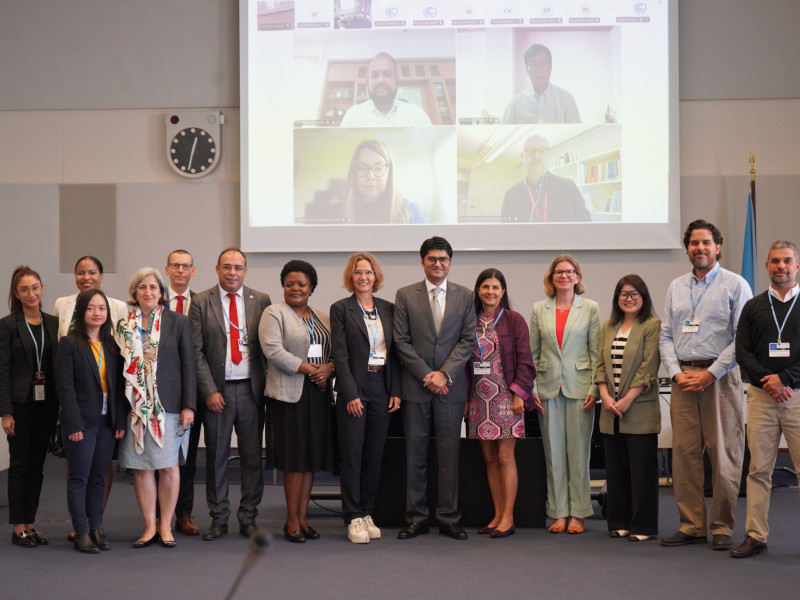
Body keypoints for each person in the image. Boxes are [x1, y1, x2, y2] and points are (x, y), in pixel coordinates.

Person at [659, 219, 752, 550]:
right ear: (687, 248)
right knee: (684, 457)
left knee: (724, 455)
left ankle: (722, 526)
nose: (700, 248)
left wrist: (711, 372)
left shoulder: (736, 284)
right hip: (684, 380)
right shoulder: (676, 286)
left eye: (706, 243)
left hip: (721, 381)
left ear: (718, 247)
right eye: (694, 243)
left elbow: (744, 338)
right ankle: (692, 525)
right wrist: (676, 372)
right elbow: (667, 334)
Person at [393, 236, 476, 540]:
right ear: (422, 261)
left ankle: (448, 517)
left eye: (443, 259)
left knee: (449, 454)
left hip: (451, 390)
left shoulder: (465, 296)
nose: (438, 264)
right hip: (416, 387)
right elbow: (400, 341)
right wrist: (429, 375)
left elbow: (467, 340)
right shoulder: (405, 295)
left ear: (449, 263)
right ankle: (415, 517)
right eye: (432, 259)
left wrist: (445, 374)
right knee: (415, 454)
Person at [190, 248, 271, 541]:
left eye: (238, 267)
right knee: (216, 457)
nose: (232, 272)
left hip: (251, 390)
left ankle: (248, 517)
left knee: (252, 458)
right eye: (227, 267)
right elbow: (195, 352)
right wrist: (209, 390)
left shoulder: (260, 300)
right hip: (218, 393)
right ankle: (219, 518)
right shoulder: (201, 302)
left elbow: (267, 346)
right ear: (217, 269)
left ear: (245, 270)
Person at [114, 267, 196, 548]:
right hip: (135, 408)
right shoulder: (124, 325)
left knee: (170, 467)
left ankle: (166, 526)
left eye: (153, 288)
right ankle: (149, 526)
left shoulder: (178, 322)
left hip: (169, 406)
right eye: (142, 288)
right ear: (134, 293)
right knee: (142, 468)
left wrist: (189, 406)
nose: (148, 292)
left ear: (161, 293)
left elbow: (189, 366)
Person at [52, 255, 128, 542]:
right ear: (81, 311)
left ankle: (96, 528)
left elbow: (118, 386)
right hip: (80, 423)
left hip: (107, 422)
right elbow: (65, 387)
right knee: (79, 478)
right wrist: (71, 424)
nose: (97, 313)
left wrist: (119, 420)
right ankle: (81, 530)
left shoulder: (111, 345)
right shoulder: (70, 344)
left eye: (102, 308)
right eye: (91, 308)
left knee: (99, 477)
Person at [732, 240, 800, 558]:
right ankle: (756, 535)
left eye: (787, 261)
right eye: (775, 261)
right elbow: (742, 351)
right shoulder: (754, 306)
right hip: (761, 398)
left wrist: (785, 380)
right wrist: (768, 381)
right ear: (767, 266)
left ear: (797, 265)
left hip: (797, 397)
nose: (781, 266)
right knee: (758, 470)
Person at [259, 260, 335, 543]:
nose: (295, 288)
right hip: (288, 397)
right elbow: (273, 351)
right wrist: (312, 369)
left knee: (310, 460)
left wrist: (329, 367)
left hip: (318, 394)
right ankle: (291, 521)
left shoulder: (323, 317)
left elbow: (335, 353)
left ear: (311, 287)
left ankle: (303, 519)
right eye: (289, 283)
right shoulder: (274, 313)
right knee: (294, 460)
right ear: (283, 286)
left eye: (301, 284)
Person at [330, 253, 401, 544]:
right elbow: (341, 356)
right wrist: (349, 392)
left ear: (376, 277)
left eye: (368, 272)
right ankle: (352, 517)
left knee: (374, 454)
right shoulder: (340, 309)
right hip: (355, 389)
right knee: (353, 455)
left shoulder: (389, 308)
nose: (363, 277)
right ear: (351, 277)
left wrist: (395, 390)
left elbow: (396, 353)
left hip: (382, 385)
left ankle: (367, 512)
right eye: (358, 272)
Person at [529, 255, 600, 534]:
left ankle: (579, 512)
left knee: (579, 454)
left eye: (570, 272)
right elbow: (533, 353)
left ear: (578, 277)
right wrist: (532, 387)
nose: (564, 276)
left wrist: (595, 388)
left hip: (580, 388)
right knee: (554, 455)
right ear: (551, 277)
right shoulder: (539, 309)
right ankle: (558, 512)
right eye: (559, 272)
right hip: (547, 388)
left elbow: (596, 353)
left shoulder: (590, 308)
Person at [465, 268, 535, 539]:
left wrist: (520, 394)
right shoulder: (470, 321)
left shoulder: (513, 320)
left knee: (506, 457)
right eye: (485, 287)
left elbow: (525, 359)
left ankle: (509, 517)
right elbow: (463, 362)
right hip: (479, 399)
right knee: (489, 458)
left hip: (507, 398)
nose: (490, 292)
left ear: (503, 292)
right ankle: (496, 515)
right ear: (478, 291)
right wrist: (466, 399)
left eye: (495, 287)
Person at [594, 275, 661, 542]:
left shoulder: (652, 325)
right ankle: (620, 521)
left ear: (643, 297)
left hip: (639, 408)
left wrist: (627, 399)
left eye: (634, 293)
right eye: (623, 294)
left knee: (642, 471)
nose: (629, 298)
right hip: (611, 410)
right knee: (617, 470)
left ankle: (642, 526)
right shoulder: (609, 326)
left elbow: (648, 367)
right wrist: (605, 397)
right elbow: (600, 365)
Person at [0, 266, 59, 548]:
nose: (31, 293)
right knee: (20, 465)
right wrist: (6, 412)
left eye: (35, 287)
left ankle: (31, 524)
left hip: (46, 404)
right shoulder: (8, 325)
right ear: (16, 293)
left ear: (42, 289)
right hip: (20, 406)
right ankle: (18, 527)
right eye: (24, 289)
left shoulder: (53, 323)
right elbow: (3, 370)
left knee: (38, 466)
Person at [164, 249, 201, 536]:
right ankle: (156, 515)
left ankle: (183, 514)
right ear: (167, 269)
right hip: (160, 393)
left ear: (193, 271)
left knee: (185, 456)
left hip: (191, 391)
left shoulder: (201, 303)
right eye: (175, 265)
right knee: (156, 457)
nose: (180, 270)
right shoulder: (153, 300)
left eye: (185, 266)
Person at [501, 133, 590, 223]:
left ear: (549, 155)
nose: (537, 156)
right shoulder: (511, 195)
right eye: (530, 151)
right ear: (523, 156)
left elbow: (586, 227)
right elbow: (506, 233)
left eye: (542, 151)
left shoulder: (569, 187)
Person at [342, 139, 427, 224]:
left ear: (389, 174)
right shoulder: (334, 212)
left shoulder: (410, 211)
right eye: (362, 168)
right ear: (353, 174)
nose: (370, 176)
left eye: (379, 168)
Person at [340, 52, 433, 127]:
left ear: (396, 78)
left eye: (388, 74)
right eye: (375, 75)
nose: (381, 80)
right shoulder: (352, 116)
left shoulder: (417, 114)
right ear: (367, 79)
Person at [501, 43, 581, 124]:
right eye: (533, 65)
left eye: (542, 64)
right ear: (526, 69)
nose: (538, 69)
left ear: (550, 67)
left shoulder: (565, 99)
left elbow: (578, 133)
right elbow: (503, 133)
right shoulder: (516, 103)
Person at [54, 256, 128, 339]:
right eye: (80, 273)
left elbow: (122, 343)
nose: (86, 277)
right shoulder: (61, 304)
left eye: (92, 273)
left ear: (101, 277)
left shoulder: (119, 307)